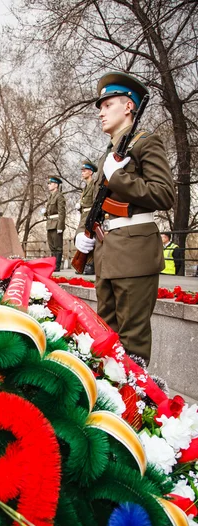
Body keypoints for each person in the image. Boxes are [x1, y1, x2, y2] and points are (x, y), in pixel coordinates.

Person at [75, 71, 175, 364]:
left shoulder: (146, 143)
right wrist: (85, 232)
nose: (101, 112)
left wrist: (117, 177)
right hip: (107, 253)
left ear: (129, 106)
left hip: (134, 253)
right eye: (101, 107)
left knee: (132, 342)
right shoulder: (110, 151)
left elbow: (164, 195)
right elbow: (97, 202)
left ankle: (137, 405)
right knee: (106, 337)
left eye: (108, 105)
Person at [79, 161, 97, 275]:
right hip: (84, 215)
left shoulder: (94, 185)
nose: (82, 173)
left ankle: (91, 264)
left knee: (90, 239)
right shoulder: (86, 186)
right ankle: (85, 264)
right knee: (83, 239)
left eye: (84, 171)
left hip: (90, 214)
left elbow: (95, 201)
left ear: (90, 172)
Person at [46, 175, 66, 271]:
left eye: (50, 183)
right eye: (48, 183)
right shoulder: (50, 197)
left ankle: (57, 266)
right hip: (50, 224)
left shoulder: (59, 196)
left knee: (57, 246)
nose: (48, 185)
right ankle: (53, 264)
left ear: (56, 185)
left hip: (56, 223)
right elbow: (49, 211)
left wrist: (60, 226)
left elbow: (62, 212)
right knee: (52, 246)